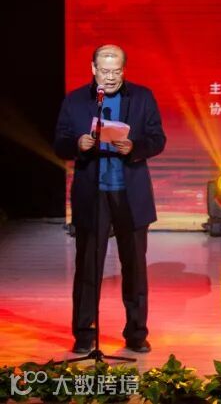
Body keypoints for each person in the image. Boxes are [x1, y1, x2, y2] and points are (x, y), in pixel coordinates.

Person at [53, 44, 166, 355]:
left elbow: (158, 139)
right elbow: (60, 143)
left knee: (135, 267)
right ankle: (84, 333)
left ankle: (136, 333)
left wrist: (135, 147)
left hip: (130, 194)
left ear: (123, 70)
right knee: (88, 268)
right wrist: (77, 144)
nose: (111, 77)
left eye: (116, 71)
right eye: (105, 71)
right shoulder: (76, 100)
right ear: (93, 69)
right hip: (92, 194)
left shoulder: (142, 97)